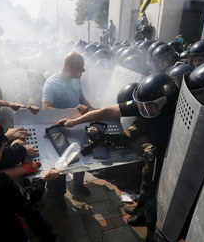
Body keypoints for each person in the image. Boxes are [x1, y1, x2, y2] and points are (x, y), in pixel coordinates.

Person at [58, 73, 179, 226]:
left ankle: (144, 212)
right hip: (147, 135)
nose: (146, 109)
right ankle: (138, 206)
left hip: (162, 147)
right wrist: (75, 121)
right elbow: (107, 111)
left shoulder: (176, 111)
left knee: (150, 179)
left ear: (166, 101)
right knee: (128, 139)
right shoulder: (144, 104)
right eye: (143, 105)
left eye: (151, 106)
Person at [42, 51, 95, 209]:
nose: (83, 71)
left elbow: (83, 99)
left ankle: (78, 184)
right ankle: (58, 195)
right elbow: (46, 108)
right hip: (59, 130)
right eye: (81, 68)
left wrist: (95, 110)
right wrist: (72, 110)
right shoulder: (51, 83)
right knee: (62, 162)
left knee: (82, 154)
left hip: (76, 125)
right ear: (70, 67)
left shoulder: (76, 80)